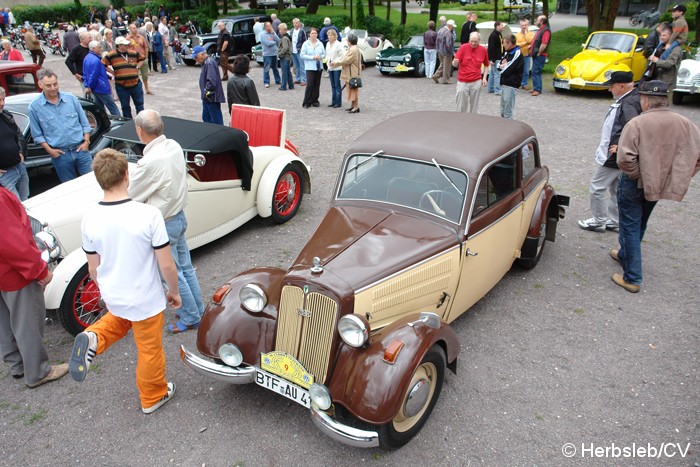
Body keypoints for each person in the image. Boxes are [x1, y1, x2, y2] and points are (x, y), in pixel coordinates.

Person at [69, 149, 180, 414]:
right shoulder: (148, 215)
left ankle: (92, 336)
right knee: (149, 349)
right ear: (127, 176)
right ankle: (153, 395)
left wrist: (105, 287)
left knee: (118, 321)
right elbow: (166, 263)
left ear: (98, 179)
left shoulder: (90, 218)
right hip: (144, 295)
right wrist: (173, 290)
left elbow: (93, 267)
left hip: (114, 292)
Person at [612, 80, 700, 293]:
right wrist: (676, 176)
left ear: (645, 100)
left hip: (635, 182)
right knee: (640, 221)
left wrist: (637, 176)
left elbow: (624, 159)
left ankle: (632, 277)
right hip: (659, 183)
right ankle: (625, 254)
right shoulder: (686, 123)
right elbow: (697, 158)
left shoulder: (638, 123)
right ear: (665, 100)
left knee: (630, 224)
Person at [127, 109, 205, 333]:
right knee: (186, 268)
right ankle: (197, 309)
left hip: (163, 223)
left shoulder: (150, 161)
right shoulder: (173, 146)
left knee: (171, 272)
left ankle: (190, 317)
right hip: (179, 215)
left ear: (140, 131)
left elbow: (131, 194)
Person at [1, 186, 69, 388]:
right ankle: (38, 371)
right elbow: (13, 243)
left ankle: (17, 364)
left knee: (5, 321)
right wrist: (39, 271)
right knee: (27, 322)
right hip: (14, 272)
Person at [578, 71, 641, 233]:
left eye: (612, 86)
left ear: (621, 86)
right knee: (615, 188)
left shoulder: (628, 103)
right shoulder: (630, 99)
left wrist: (621, 146)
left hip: (614, 156)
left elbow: (634, 127)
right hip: (618, 153)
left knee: (597, 187)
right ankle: (616, 220)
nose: (609, 90)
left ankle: (599, 220)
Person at [28, 69, 93, 183]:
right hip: (61, 155)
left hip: (81, 150)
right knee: (68, 188)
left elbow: (85, 123)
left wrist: (86, 142)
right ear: (40, 85)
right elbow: (37, 135)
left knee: (92, 182)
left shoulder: (71, 99)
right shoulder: (35, 107)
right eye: (48, 85)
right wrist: (50, 151)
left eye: (55, 84)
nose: (53, 88)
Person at [104, 36, 146, 119]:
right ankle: (128, 123)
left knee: (140, 105)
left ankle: (142, 121)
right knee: (125, 106)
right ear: (119, 46)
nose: (127, 46)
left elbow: (142, 59)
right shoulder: (111, 55)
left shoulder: (133, 53)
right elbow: (103, 64)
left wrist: (137, 67)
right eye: (125, 45)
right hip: (121, 85)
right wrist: (112, 72)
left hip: (135, 83)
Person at [0, 87, 28, 201]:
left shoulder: (5, 115)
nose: (2, 104)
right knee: (16, 206)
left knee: (27, 201)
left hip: (19, 167)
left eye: (3, 100)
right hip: (4, 175)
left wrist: (21, 152)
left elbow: (19, 135)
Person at [452, 32, 489, 113]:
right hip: (463, 81)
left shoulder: (483, 50)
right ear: (469, 40)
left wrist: (484, 78)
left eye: (475, 41)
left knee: (474, 106)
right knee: (461, 106)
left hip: (476, 81)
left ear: (479, 40)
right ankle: (461, 122)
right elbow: (454, 63)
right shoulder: (463, 47)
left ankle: (473, 122)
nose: (473, 43)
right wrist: (455, 62)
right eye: (471, 41)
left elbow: (486, 65)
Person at [83, 41, 121, 116]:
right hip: (101, 87)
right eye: (99, 47)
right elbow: (94, 75)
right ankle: (121, 123)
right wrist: (90, 86)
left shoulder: (87, 58)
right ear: (94, 49)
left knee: (100, 108)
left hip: (95, 88)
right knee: (112, 107)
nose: (101, 49)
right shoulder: (96, 60)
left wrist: (87, 85)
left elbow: (85, 73)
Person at [192, 46, 225, 124]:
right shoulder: (206, 62)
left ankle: (219, 135)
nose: (195, 59)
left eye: (196, 57)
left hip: (211, 97)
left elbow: (212, 81)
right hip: (208, 97)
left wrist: (207, 92)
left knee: (216, 121)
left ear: (203, 54)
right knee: (206, 118)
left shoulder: (209, 63)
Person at [648, 24, 682, 89]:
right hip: (657, 78)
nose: (662, 37)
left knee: (667, 98)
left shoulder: (676, 49)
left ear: (671, 36)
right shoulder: (661, 46)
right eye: (661, 35)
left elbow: (669, 63)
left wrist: (656, 60)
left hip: (667, 81)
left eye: (664, 35)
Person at [333, 33, 361, 113]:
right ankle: (353, 106)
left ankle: (356, 107)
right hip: (351, 72)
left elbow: (346, 60)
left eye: (347, 40)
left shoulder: (353, 49)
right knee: (351, 89)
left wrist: (336, 63)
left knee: (353, 90)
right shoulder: (353, 48)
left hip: (352, 73)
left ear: (350, 41)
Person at [498, 34, 523, 119]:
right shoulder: (507, 53)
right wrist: (502, 66)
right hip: (505, 83)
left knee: (507, 111)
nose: (503, 45)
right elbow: (499, 65)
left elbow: (508, 69)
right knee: (502, 110)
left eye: (504, 43)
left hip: (511, 84)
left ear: (510, 43)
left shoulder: (517, 53)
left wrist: (503, 66)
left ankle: (508, 129)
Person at [300, 28, 325, 109]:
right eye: (312, 33)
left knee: (317, 84)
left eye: (315, 33)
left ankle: (315, 100)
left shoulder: (320, 43)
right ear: (309, 34)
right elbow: (302, 55)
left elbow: (324, 54)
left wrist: (320, 57)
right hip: (310, 66)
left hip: (318, 66)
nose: (314, 35)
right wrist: (312, 57)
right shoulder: (306, 44)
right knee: (310, 84)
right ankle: (307, 101)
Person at [127, 23, 152, 95]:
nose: (135, 29)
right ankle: (137, 90)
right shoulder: (128, 39)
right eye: (133, 28)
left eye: (136, 28)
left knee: (145, 75)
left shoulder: (141, 37)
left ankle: (147, 89)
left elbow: (146, 47)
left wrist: (146, 57)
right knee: (135, 75)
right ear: (130, 30)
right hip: (133, 60)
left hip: (143, 58)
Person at [529, 15, 551, 97]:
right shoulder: (541, 29)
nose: (536, 21)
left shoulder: (546, 30)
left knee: (536, 71)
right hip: (537, 54)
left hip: (540, 55)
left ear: (542, 21)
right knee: (535, 71)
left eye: (537, 20)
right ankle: (536, 88)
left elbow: (544, 43)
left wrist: (539, 52)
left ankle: (537, 89)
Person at [432, 20, 456, 85]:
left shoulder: (440, 30)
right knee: (447, 66)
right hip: (446, 52)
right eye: (452, 26)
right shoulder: (448, 33)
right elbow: (448, 44)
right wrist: (452, 52)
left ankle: (436, 75)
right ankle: (445, 79)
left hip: (440, 50)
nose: (453, 28)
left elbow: (437, 41)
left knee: (442, 64)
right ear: (449, 25)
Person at [325, 28, 343, 106]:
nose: (330, 37)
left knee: (337, 84)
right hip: (330, 66)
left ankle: (338, 102)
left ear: (335, 36)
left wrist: (335, 62)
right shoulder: (328, 44)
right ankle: (333, 101)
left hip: (337, 67)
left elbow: (342, 55)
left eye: (331, 35)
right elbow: (327, 55)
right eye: (329, 35)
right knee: (332, 85)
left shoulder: (338, 44)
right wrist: (327, 62)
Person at [487, 21, 505, 95]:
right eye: (501, 25)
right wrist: (492, 59)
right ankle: (497, 89)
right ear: (497, 26)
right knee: (497, 73)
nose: (503, 26)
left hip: (498, 56)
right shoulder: (494, 35)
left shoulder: (499, 34)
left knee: (492, 73)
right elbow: (491, 48)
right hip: (496, 57)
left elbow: (501, 45)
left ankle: (490, 88)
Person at [515, 19, 534, 90]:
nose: (524, 27)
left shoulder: (531, 34)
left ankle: (524, 83)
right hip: (519, 55)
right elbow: (516, 44)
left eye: (525, 25)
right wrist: (526, 44)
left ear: (527, 25)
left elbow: (530, 41)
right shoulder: (517, 35)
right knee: (518, 70)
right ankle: (518, 83)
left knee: (526, 70)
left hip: (527, 55)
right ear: (520, 26)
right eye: (522, 25)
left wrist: (526, 33)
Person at [261, 22, 281, 88]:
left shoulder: (273, 33)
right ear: (266, 27)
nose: (270, 27)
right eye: (269, 26)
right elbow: (267, 43)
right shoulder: (263, 34)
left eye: (270, 26)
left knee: (275, 68)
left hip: (274, 53)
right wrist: (274, 42)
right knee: (266, 68)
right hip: (267, 54)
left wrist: (274, 34)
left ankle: (278, 80)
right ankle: (266, 82)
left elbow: (279, 40)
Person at [291, 18, 307, 86]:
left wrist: (302, 49)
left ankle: (304, 80)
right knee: (296, 66)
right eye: (294, 23)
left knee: (302, 65)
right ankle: (298, 79)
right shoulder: (291, 31)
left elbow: (305, 41)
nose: (295, 24)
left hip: (299, 50)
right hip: (293, 50)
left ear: (299, 23)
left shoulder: (302, 31)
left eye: (296, 23)